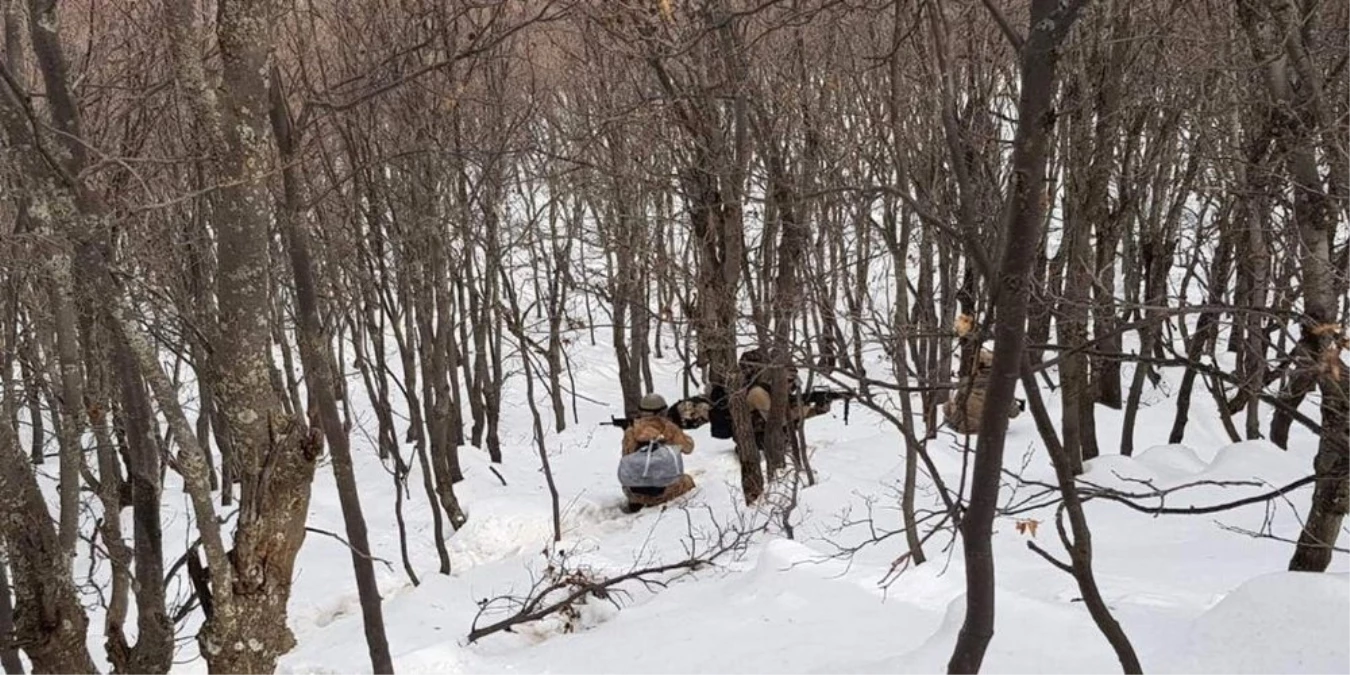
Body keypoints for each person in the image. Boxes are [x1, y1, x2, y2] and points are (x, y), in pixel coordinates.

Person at [617, 393, 696, 513]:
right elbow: (688, 448)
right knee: (688, 480)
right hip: (662, 490)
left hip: (634, 491)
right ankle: (656, 499)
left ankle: (637, 501)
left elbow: (626, 456)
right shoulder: (669, 428)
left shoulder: (631, 431)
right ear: (661, 412)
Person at [942, 349, 1024, 435]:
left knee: (947, 406)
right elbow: (1014, 413)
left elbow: (958, 403)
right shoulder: (1002, 387)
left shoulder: (966, 382)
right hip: (992, 430)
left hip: (965, 426)